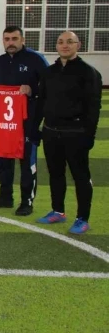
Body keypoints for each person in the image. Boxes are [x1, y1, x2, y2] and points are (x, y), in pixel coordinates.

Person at [32, 31, 102, 234]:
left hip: (76, 133)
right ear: (56, 46)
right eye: (61, 42)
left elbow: (93, 107)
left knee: (80, 176)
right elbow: (41, 102)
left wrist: (89, 135)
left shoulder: (88, 72)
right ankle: (58, 211)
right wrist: (35, 128)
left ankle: (82, 218)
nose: (65, 45)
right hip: (51, 132)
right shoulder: (49, 72)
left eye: (70, 42)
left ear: (78, 45)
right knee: (55, 174)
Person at [0, 26, 48, 216]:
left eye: (14, 38)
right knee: (3, 158)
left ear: (23, 39)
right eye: (7, 39)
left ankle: (26, 201)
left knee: (26, 160)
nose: (10, 42)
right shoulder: (1, 61)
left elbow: (49, 85)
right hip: (5, 120)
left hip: (29, 119)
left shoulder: (35, 59)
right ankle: (6, 197)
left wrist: (32, 90)